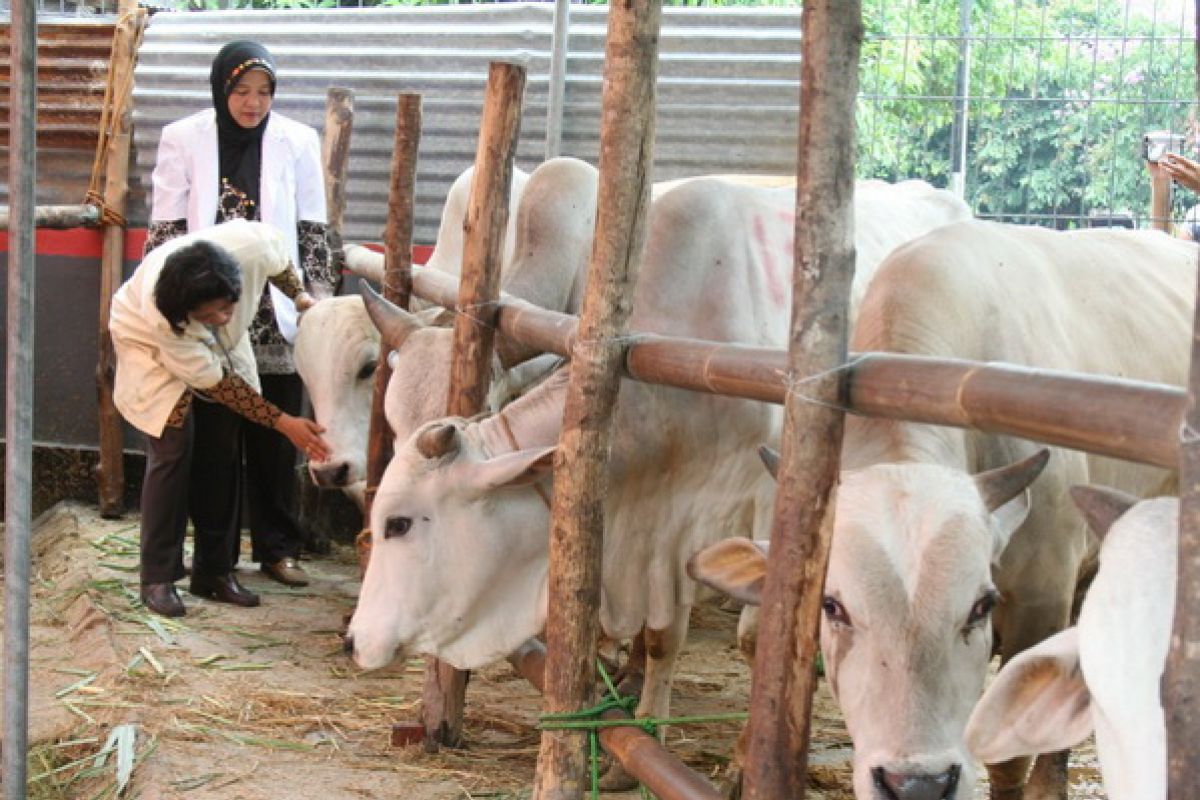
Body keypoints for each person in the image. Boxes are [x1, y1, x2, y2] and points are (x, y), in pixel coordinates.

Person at [145, 40, 338, 588]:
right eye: (242, 91)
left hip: (273, 306)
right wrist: (175, 307)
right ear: (221, 88)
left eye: (264, 92)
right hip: (210, 308)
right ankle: (218, 560)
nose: (253, 103)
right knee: (216, 440)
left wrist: (317, 301)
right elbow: (165, 231)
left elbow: (313, 229)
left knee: (278, 436)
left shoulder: (297, 140)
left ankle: (278, 549)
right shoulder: (183, 137)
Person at [110, 220, 332, 618]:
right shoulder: (164, 317)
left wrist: (300, 299)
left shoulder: (249, 247)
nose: (222, 316)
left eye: (227, 306)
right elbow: (216, 383)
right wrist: (285, 423)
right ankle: (158, 577)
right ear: (187, 311)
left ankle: (214, 572)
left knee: (223, 449)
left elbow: (279, 264)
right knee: (173, 446)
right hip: (147, 345)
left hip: (225, 348)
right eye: (209, 314)